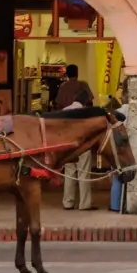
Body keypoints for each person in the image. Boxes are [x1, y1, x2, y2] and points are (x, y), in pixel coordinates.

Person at [55, 64, 98, 211]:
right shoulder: (83, 85)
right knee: (84, 172)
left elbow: (57, 106)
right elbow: (91, 102)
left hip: (67, 141)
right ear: (78, 73)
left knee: (69, 172)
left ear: (67, 73)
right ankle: (84, 204)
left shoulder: (62, 88)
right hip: (83, 142)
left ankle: (68, 202)